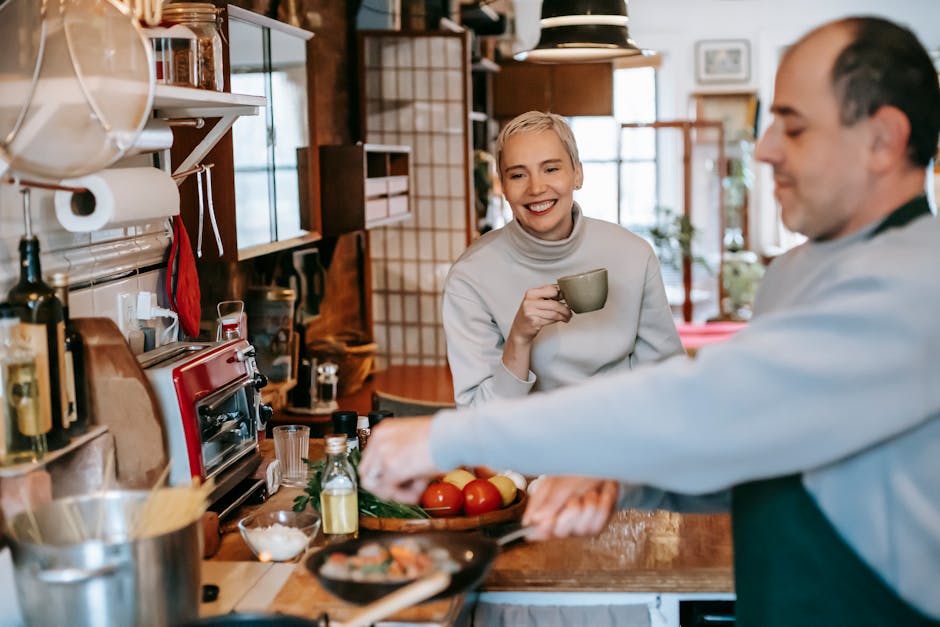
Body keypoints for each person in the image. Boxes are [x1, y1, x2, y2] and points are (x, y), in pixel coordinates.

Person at [360, 15, 940, 626]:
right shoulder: (795, 274)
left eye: (792, 127)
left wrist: (446, 438)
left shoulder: (917, 284)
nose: (765, 149)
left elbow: (710, 400)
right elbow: (749, 453)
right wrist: (616, 478)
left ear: (882, 140)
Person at [444, 111, 683, 407]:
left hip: (621, 440)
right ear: (503, 187)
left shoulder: (633, 254)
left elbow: (666, 379)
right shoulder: (471, 276)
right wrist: (519, 338)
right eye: (518, 175)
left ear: (578, 174)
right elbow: (475, 418)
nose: (536, 188)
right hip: (528, 448)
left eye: (551, 169)